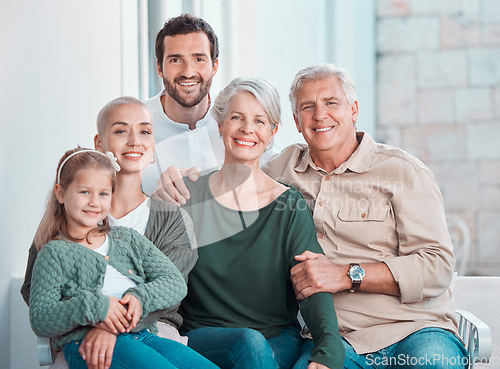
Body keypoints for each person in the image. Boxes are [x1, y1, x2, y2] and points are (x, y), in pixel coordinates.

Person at [154, 64, 468, 368]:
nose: (320, 115)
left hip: (415, 329)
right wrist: (180, 180)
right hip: (342, 339)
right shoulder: (283, 170)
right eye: (308, 106)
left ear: (354, 109)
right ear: (294, 120)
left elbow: (438, 266)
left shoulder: (401, 171)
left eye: (331, 103)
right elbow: (238, 170)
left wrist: (348, 274)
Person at [176, 77, 344, 369]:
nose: (247, 129)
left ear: (272, 131)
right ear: (220, 125)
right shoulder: (187, 197)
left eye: (259, 121)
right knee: (247, 343)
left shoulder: (289, 206)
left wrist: (330, 347)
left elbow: (312, 283)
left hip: (276, 339)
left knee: (253, 346)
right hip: (203, 338)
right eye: (236, 118)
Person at [21, 97, 200, 369]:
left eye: (145, 131)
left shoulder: (159, 224)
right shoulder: (65, 222)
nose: (134, 141)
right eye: (120, 131)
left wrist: (110, 325)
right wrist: (91, 318)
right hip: (83, 339)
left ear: (153, 145)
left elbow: (169, 290)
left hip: (152, 331)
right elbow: (37, 292)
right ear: (99, 144)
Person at [141, 13, 279, 196]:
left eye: (199, 59)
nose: (188, 72)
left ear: (215, 66)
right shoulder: (135, 123)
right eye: (176, 60)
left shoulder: (239, 123)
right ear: (159, 68)